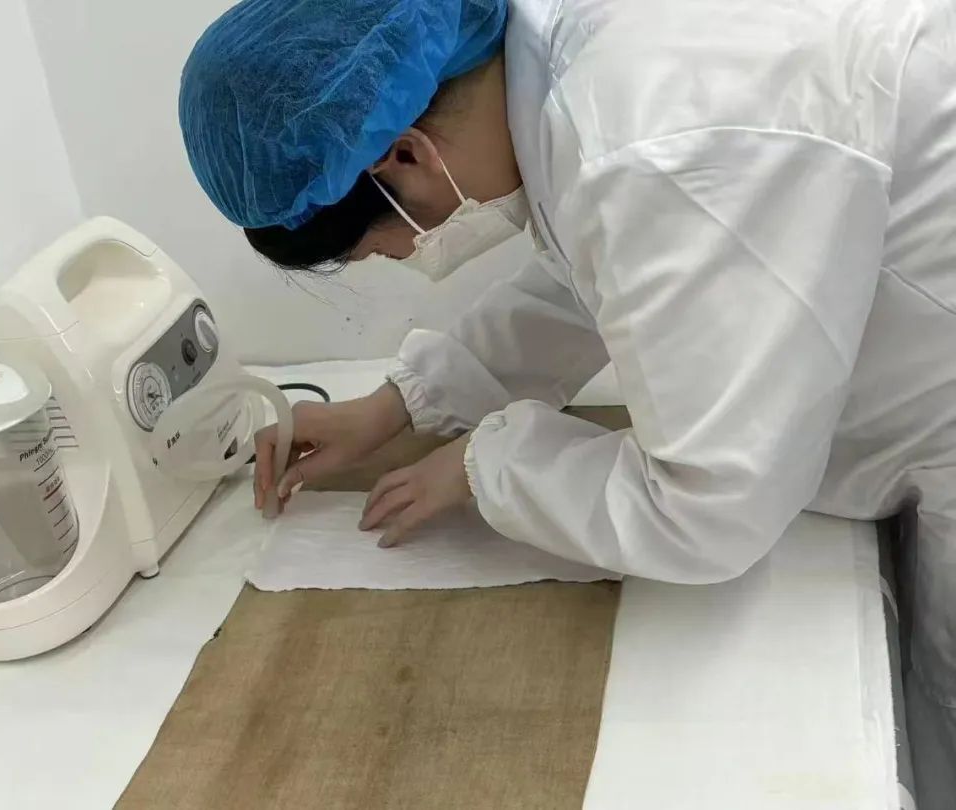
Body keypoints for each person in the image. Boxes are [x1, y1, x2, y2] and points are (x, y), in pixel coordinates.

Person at [179, 0, 956, 804]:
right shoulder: (569, 67)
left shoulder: (651, 141)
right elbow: (602, 275)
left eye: (382, 246)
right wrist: (396, 405)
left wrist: (488, 463)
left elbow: (710, 508)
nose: (406, 255)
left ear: (405, 155)